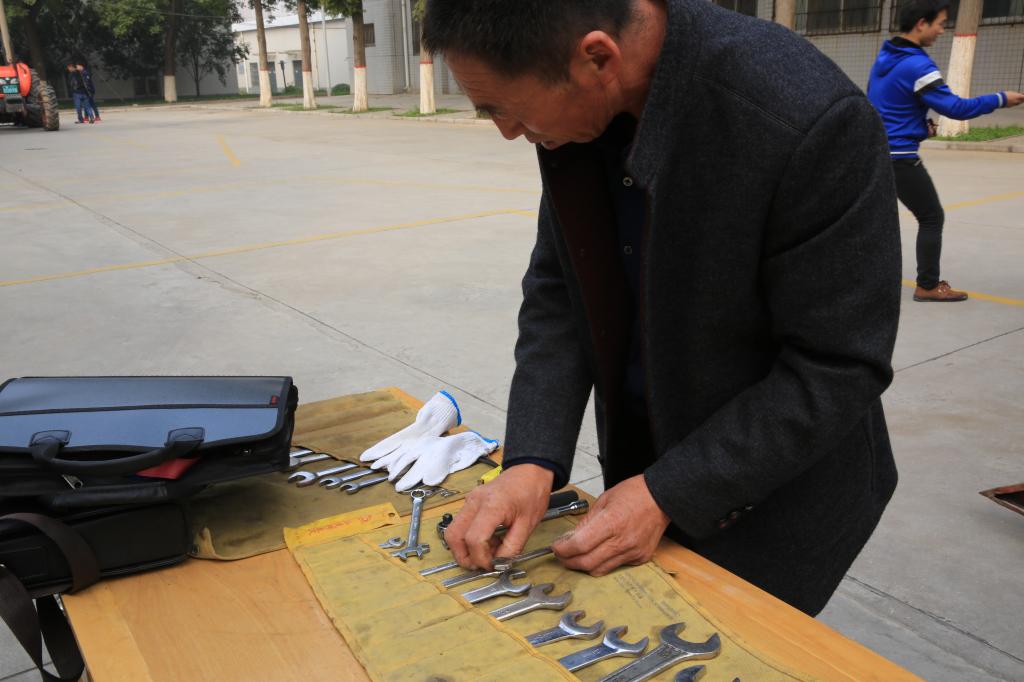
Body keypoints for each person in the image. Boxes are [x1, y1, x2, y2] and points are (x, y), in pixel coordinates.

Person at [423, 0, 903, 617]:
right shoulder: (581, 109)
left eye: (501, 108)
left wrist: (668, 492)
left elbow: (839, 365)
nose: (507, 131)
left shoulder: (804, 118)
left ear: (598, 58)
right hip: (646, 460)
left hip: (774, 484)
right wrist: (530, 460)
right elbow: (561, 289)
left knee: (738, 641)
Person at [867, 0, 1024, 302]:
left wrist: (917, 126)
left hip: (876, 153)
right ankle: (927, 286)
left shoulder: (886, 57)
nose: (942, 30)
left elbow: (883, 104)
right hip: (899, 158)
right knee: (931, 216)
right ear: (921, 24)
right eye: (939, 23)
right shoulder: (918, 65)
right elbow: (956, 108)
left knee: (878, 220)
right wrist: (1000, 98)